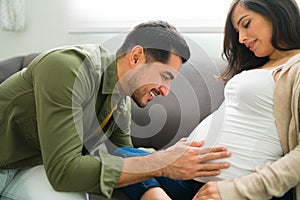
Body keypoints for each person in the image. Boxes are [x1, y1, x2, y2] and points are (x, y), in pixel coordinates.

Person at [0, 20, 231, 200]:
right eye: (165, 76)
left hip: (32, 166)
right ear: (136, 56)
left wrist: (171, 160)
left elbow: (127, 159)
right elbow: (64, 171)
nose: (166, 91)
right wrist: (161, 162)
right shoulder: (70, 69)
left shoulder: (120, 103)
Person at [113, 0, 300, 200]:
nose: (242, 38)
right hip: (192, 180)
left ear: (277, 12)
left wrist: (231, 191)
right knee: (120, 158)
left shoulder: (295, 66)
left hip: (241, 188)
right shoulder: (258, 66)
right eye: (237, 31)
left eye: (246, 24)